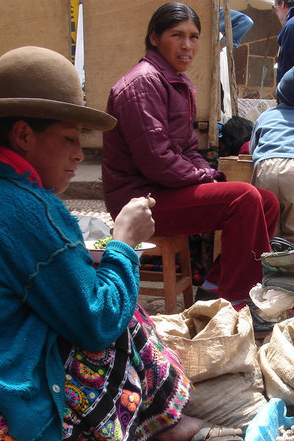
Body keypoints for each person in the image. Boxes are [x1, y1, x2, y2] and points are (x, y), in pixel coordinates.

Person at [0, 46, 244, 441]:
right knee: (119, 313)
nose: (78, 154)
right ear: (24, 135)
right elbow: (97, 321)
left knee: (96, 289)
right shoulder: (28, 207)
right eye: (70, 139)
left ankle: (137, 434)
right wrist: (126, 243)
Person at [102, 2, 279, 306]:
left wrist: (207, 176)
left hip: (165, 189)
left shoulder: (177, 82)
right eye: (177, 35)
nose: (187, 46)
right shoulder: (143, 83)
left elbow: (187, 149)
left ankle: (216, 286)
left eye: (194, 37)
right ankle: (238, 303)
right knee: (244, 199)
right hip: (139, 199)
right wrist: (206, 177)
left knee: (267, 202)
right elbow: (155, 160)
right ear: (154, 38)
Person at [250, 62, 294, 247]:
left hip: (266, 166)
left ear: (280, 94)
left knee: (268, 230)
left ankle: (266, 272)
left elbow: (253, 149)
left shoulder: (265, 116)